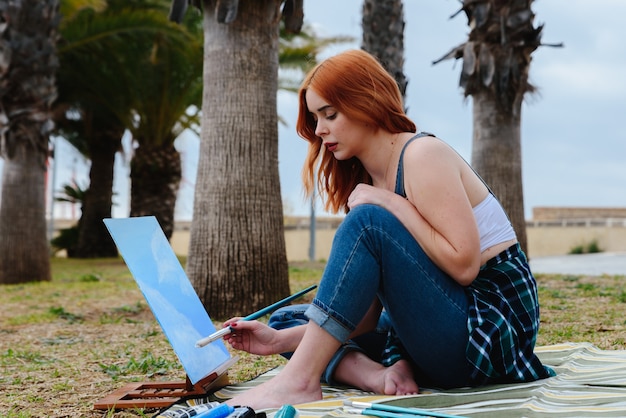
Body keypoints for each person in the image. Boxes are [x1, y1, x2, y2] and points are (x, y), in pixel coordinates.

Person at [223, 49, 554, 410]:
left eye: (330, 114)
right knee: (288, 321)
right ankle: (380, 376)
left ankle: (299, 381)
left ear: (366, 102)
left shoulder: (421, 155)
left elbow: (464, 267)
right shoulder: (373, 180)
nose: (320, 130)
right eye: (316, 118)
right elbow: (361, 320)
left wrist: (390, 203)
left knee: (366, 224)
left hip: (484, 336)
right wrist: (274, 342)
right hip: (436, 333)